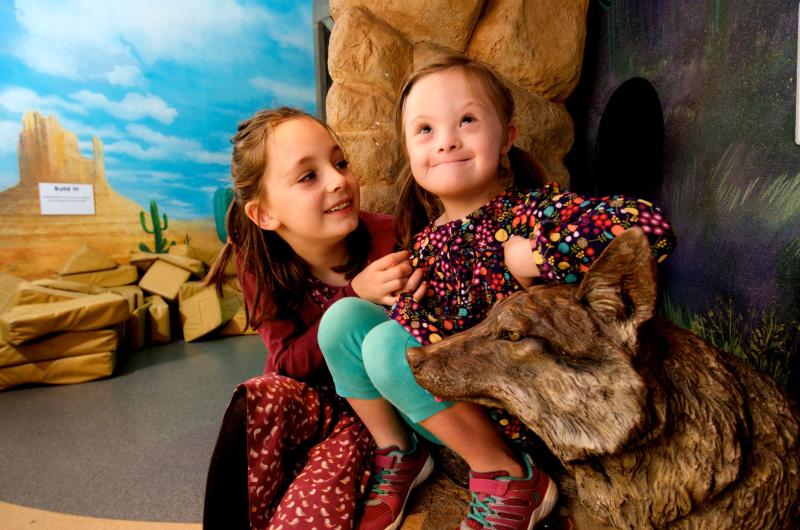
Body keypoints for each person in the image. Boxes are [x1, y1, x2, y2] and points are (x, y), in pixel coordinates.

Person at [318, 54, 677, 530]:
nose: (446, 140)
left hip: (516, 414)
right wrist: (384, 295)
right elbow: (425, 334)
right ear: (408, 151)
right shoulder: (425, 237)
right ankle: (399, 451)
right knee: (341, 322)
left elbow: (651, 230)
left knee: (387, 348)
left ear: (507, 136)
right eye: (425, 130)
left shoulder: (532, 213)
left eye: (467, 120)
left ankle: (508, 477)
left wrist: (540, 253)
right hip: (447, 399)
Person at [202, 107, 413, 529]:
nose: (339, 181)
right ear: (264, 215)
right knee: (255, 398)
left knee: (304, 514)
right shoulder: (257, 264)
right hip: (309, 401)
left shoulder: (395, 237)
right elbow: (287, 365)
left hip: (368, 410)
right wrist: (355, 293)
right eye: (308, 176)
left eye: (339, 163)